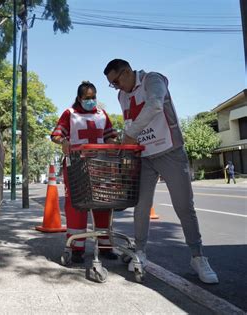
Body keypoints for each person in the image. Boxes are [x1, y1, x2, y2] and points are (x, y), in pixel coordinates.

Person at [103, 59, 218, 284]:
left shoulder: (152, 79)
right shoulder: (122, 96)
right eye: (112, 85)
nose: (116, 87)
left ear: (127, 72)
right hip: (143, 157)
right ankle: (140, 251)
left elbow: (155, 104)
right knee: (141, 207)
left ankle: (198, 257)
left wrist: (132, 132)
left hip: (170, 151)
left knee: (184, 206)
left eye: (116, 81)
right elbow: (130, 121)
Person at [51, 81, 118, 263]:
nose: (91, 100)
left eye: (93, 97)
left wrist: (113, 142)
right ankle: (77, 248)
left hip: (100, 164)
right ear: (79, 98)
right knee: (77, 206)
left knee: (103, 203)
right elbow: (56, 135)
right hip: (76, 166)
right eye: (87, 98)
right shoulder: (70, 114)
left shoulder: (102, 114)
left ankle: (105, 246)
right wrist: (63, 142)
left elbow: (110, 136)